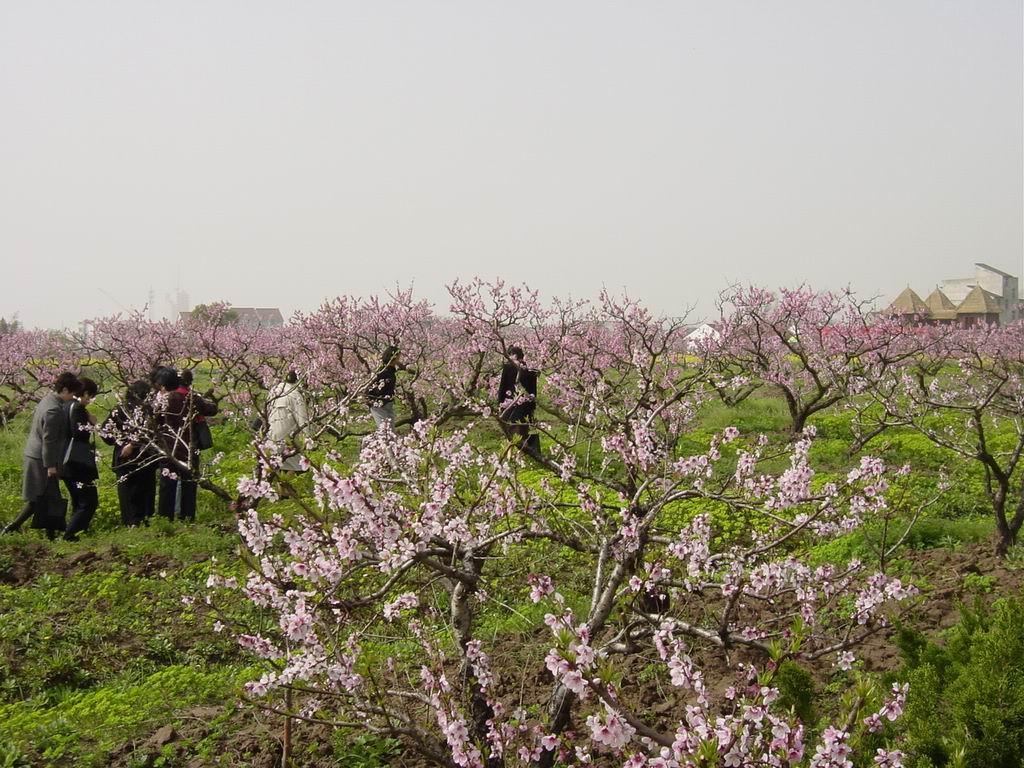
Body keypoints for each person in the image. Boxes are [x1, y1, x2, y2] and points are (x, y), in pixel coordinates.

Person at [4, 371, 80, 539]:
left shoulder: (48, 399)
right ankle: (12, 528)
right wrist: (51, 466)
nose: (74, 397)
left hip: (36, 455)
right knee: (39, 498)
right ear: (65, 390)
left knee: (47, 497)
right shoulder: (53, 410)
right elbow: (49, 440)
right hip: (42, 459)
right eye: (73, 393)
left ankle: (49, 535)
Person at [153, 367, 218, 522]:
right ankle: (187, 518)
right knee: (189, 483)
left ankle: (165, 518)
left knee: (167, 485)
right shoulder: (192, 397)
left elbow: (154, 422)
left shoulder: (164, 400)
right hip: (189, 446)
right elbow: (211, 410)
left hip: (169, 447)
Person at [101, 380, 157, 526]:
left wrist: (120, 442)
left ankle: (131, 522)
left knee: (127, 493)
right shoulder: (149, 410)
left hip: (124, 457)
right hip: (147, 457)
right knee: (146, 491)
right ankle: (146, 520)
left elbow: (104, 432)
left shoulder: (120, 409)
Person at [62, 377, 100, 541]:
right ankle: (70, 534)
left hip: (65, 460)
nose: (90, 400)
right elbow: (79, 434)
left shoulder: (65, 405)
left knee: (78, 500)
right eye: (90, 396)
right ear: (85, 393)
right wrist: (91, 423)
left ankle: (77, 533)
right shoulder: (77, 408)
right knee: (89, 501)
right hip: (78, 461)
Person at [497, 346, 538, 449]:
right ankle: (523, 452)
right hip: (525, 404)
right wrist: (533, 406)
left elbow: (503, 386)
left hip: (510, 402)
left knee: (511, 429)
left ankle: (512, 452)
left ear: (512, 355)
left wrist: (500, 403)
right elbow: (533, 389)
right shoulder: (530, 368)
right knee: (523, 429)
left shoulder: (508, 367)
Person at [268, 370, 309, 471]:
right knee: (302, 468)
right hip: (287, 442)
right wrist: (308, 442)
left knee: (277, 468)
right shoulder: (295, 395)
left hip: (270, 440)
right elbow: (303, 422)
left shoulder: (273, 391)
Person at [366, 345, 400, 429]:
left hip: (388, 403)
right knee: (385, 431)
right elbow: (370, 386)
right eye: (398, 357)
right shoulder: (382, 370)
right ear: (393, 357)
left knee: (391, 431)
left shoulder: (391, 370)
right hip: (378, 405)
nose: (399, 360)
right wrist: (371, 400)